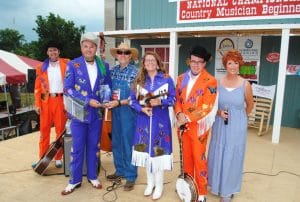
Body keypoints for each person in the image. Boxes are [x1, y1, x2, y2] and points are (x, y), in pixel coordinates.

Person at [61, 32, 111, 195]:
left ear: (96, 48)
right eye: (86, 46)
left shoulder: (104, 65)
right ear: (81, 47)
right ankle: (74, 180)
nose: (89, 49)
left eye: (92, 46)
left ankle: (92, 176)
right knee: (76, 148)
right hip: (78, 114)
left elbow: (107, 87)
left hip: (96, 115)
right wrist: (87, 100)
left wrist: (107, 100)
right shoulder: (73, 65)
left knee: (93, 147)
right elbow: (67, 89)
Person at [207, 49, 254, 202]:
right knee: (218, 153)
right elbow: (211, 105)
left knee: (232, 156)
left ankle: (227, 191)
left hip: (236, 127)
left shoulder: (245, 84)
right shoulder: (217, 82)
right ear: (225, 65)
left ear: (239, 64)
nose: (233, 66)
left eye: (235, 63)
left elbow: (250, 105)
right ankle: (217, 185)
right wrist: (219, 112)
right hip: (220, 124)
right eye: (229, 63)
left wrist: (241, 119)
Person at [174, 45, 218, 202]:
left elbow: (207, 106)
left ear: (204, 63)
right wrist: (179, 114)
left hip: (198, 127)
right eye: (193, 61)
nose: (196, 64)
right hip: (182, 125)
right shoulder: (181, 78)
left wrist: (187, 117)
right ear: (189, 61)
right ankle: (188, 185)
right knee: (186, 158)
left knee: (199, 159)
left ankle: (201, 191)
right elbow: (176, 99)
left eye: (200, 62)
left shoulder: (210, 81)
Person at [130, 51, 176, 200]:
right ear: (143, 64)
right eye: (147, 60)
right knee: (146, 153)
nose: (150, 62)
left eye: (153, 60)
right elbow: (132, 101)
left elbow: (174, 99)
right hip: (143, 123)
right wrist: (141, 108)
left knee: (158, 152)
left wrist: (160, 102)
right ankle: (150, 184)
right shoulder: (139, 81)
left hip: (160, 123)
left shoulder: (166, 79)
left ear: (157, 63)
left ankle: (159, 185)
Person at [105, 42, 139, 191]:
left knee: (128, 142)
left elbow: (137, 97)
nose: (123, 55)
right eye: (120, 52)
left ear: (130, 56)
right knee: (116, 142)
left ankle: (131, 175)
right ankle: (120, 170)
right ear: (117, 55)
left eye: (126, 52)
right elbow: (106, 89)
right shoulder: (112, 71)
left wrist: (119, 102)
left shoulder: (136, 73)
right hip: (115, 110)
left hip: (128, 111)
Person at [33, 41, 69, 168]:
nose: (52, 52)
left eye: (55, 50)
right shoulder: (41, 67)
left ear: (59, 51)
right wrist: (37, 104)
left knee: (60, 131)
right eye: (50, 50)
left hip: (60, 101)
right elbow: (37, 88)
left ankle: (59, 157)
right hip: (46, 102)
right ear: (47, 52)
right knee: (44, 131)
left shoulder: (67, 64)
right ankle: (42, 158)